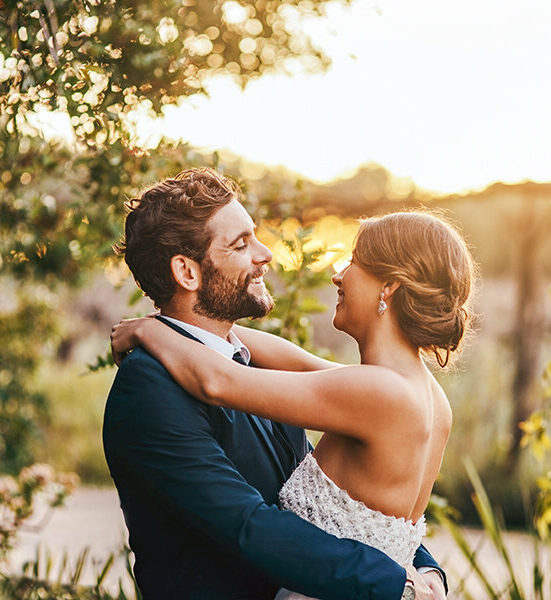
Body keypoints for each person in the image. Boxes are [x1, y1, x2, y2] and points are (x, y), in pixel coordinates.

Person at [107, 168, 467, 599]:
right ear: (187, 272)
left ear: (390, 288)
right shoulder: (149, 386)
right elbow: (250, 524)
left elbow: (352, 499)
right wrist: (404, 578)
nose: (266, 255)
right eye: (241, 244)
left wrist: (412, 574)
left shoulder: (352, 387)